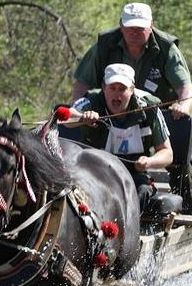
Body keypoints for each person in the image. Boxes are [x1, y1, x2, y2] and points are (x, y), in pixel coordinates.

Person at [71, 2, 192, 215]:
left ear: (151, 25)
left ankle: (189, 215)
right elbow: (79, 90)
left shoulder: (167, 49)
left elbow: (185, 86)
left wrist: (183, 107)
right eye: (130, 27)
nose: (135, 32)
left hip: (155, 114)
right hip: (106, 117)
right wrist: (82, 114)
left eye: (140, 27)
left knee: (182, 163)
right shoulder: (103, 48)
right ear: (121, 25)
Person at [59, 63, 173, 213]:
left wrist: (149, 162)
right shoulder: (91, 101)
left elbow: (167, 153)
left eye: (122, 89)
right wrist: (82, 118)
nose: (116, 95)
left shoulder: (149, 107)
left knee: (142, 191)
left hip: (134, 173)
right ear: (103, 87)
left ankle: (130, 231)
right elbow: (66, 117)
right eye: (112, 88)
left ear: (132, 89)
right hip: (95, 170)